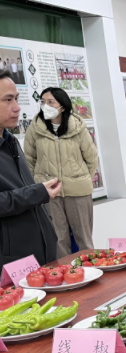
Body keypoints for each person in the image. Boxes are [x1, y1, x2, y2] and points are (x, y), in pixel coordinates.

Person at [25, 87, 99, 258]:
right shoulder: (35, 128)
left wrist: (80, 179)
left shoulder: (78, 128)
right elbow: (29, 159)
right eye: (43, 102)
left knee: (84, 239)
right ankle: (65, 272)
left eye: (51, 102)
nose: (45, 105)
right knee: (58, 239)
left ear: (63, 107)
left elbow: (91, 158)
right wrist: (37, 184)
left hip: (78, 192)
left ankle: (90, 269)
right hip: (49, 192)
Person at [0, 68, 60, 268]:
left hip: (41, 254)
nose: (17, 107)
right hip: (13, 262)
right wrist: (37, 193)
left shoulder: (11, 141)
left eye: (16, 99)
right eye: (8, 100)